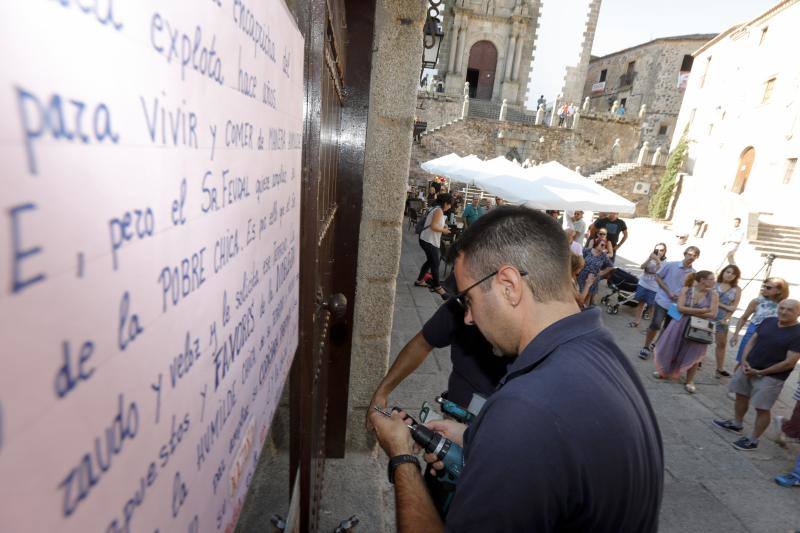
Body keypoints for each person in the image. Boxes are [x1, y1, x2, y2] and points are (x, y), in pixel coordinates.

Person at [369, 206, 663, 531]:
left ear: (508, 285)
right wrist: (480, 438)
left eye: (468, 300)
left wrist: (402, 458)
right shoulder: (605, 354)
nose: (467, 317)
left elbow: (535, 433)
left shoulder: (525, 410)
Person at [367, 279, 509, 423]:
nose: (467, 319)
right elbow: (422, 343)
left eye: (471, 302)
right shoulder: (460, 306)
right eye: (465, 302)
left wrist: (399, 445)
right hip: (455, 416)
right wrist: (382, 392)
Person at [713, 299, 800, 451]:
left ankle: (753, 440)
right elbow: (752, 341)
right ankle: (736, 423)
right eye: (782, 308)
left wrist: (761, 372)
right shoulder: (769, 321)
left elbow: (789, 362)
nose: (784, 312)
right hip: (748, 368)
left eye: (790, 310)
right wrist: (744, 360)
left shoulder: (797, 333)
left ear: (798, 313)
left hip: (771, 377)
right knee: (741, 396)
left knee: (762, 408)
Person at [652, 270, 719, 393]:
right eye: (711, 279)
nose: (714, 281)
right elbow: (680, 308)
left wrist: (690, 311)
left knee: (694, 353)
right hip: (680, 324)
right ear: (702, 280)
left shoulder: (714, 295)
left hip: (699, 327)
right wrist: (701, 311)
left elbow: (713, 314)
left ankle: (690, 380)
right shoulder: (686, 290)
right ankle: (665, 371)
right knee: (671, 347)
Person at [639, 246, 700, 360]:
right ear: (685, 253)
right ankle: (646, 347)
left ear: (697, 257)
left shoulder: (693, 273)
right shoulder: (671, 265)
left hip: (677, 306)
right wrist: (668, 291)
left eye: (694, 255)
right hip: (663, 300)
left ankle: (656, 345)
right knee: (656, 324)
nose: (691, 257)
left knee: (668, 328)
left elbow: (690, 289)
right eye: (690, 254)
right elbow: (657, 277)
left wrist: (683, 296)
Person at [730, 277, 789, 364]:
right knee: (742, 361)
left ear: (779, 291)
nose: (764, 289)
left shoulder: (784, 305)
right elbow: (743, 318)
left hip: (770, 336)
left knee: (759, 363)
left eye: (768, 287)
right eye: (764, 286)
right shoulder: (757, 301)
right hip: (753, 331)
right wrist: (735, 335)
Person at [415, 193, 452, 297]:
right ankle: (437, 286)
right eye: (449, 204)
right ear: (445, 203)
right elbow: (434, 227)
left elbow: (434, 223)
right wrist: (444, 230)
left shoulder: (436, 209)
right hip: (429, 240)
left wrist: (443, 224)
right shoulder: (439, 210)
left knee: (430, 261)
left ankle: (419, 280)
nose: (450, 207)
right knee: (435, 263)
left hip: (426, 239)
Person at [712, 265, 742, 377]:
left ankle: (720, 367)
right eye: (728, 272)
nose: (730, 275)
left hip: (723, 319)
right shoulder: (714, 284)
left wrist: (726, 317)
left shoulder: (737, 289)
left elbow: (733, 308)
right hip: (708, 314)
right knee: (702, 339)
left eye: (733, 273)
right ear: (723, 272)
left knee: (721, 344)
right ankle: (697, 361)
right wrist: (724, 306)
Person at [629, 243, 667, 328]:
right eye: (657, 250)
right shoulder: (651, 257)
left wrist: (657, 260)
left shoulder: (664, 262)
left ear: (665, 252)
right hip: (643, 283)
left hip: (654, 287)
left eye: (662, 250)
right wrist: (649, 259)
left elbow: (660, 272)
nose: (659, 252)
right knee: (641, 303)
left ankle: (651, 326)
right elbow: (642, 267)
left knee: (651, 307)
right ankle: (636, 321)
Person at [578, 237, 614, 307]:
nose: (604, 247)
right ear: (597, 244)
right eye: (602, 245)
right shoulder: (587, 250)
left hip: (593, 278)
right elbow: (579, 260)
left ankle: (584, 311)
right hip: (583, 276)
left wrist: (602, 272)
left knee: (588, 295)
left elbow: (611, 266)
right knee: (581, 293)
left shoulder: (603, 256)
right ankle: (578, 308)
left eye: (605, 246)